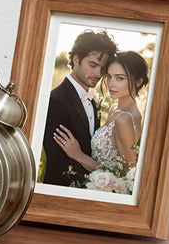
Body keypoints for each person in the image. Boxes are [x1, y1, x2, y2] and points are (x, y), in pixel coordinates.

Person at [51, 50, 150, 180]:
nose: (111, 84)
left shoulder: (124, 119)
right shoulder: (114, 109)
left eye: (119, 78)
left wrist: (78, 155)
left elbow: (125, 175)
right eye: (109, 76)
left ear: (138, 82)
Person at [40, 30, 117, 185]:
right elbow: (57, 161)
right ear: (76, 59)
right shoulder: (55, 101)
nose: (98, 74)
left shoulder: (93, 101)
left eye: (103, 68)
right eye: (93, 65)